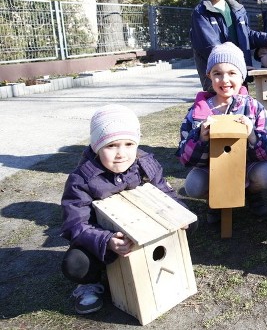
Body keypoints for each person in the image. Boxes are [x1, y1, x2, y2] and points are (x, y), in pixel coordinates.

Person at [60, 104, 193, 314]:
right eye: (111, 146)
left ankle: (154, 268)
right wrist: (107, 241)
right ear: (96, 146)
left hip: (145, 235)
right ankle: (90, 283)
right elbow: (75, 224)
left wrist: (179, 214)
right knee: (76, 264)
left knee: (189, 226)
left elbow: (166, 194)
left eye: (129, 144)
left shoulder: (144, 165)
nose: (122, 153)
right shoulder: (81, 180)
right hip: (106, 244)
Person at [176, 42, 267, 222]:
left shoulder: (253, 108)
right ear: (209, 76)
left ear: (242, 76)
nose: (225, 80)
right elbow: (184, 156)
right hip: (211, 169)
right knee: (193, 186)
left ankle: (251, 193)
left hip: (247, 166)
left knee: (266, 174)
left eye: (232, 73)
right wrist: (199, 138)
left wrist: (252, 135)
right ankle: (214, 200)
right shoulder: (198, 111)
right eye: (217, 74)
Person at [190, 0, 254, 91]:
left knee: (241, 107)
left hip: (239, 73)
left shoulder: (238, 9)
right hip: (217, 77)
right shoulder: (200, 12)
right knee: (220, 108)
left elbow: (247, 34)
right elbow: (210, 46)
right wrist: (235, 64)